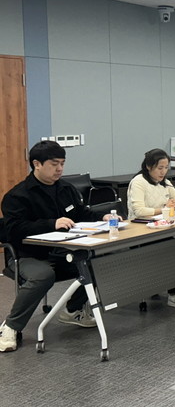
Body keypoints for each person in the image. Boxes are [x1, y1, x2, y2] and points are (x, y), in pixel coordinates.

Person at [0, 141, 115, 353]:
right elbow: (14, 230)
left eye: (62, 163)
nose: (60, 169)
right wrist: (51, 224)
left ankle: (73, 311)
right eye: (54, 164)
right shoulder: (17, 196)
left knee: (98, 264)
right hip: (27, 255)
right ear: (37, 164)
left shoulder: (66, 189)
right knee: (43, 276)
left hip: (62, 252)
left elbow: (81, 213)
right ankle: (10, 326)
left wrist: (102, 217)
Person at [126, 148, 175, 309]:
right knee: (170, 249)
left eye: (166, 167)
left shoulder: (165, 183)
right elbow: (139, 211)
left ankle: (171, 287)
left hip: (162, 227)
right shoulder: (138, 182)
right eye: (160, 168)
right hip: (140, 231)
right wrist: (164, 208)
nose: (163, 172)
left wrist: (174, 205)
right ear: (149, 166)